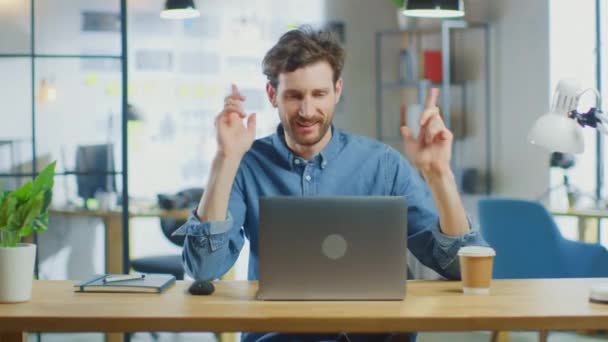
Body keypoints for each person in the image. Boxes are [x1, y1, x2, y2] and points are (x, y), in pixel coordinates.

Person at [174, 27, 488, 342]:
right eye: (294, 96)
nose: (307, 111)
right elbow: (203, 269)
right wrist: (224, 158)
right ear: (272, 96)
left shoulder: (383, 164)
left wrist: (439, 174)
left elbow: (460, 268)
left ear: (337, 90)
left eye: (319, 94)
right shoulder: (245, 164)